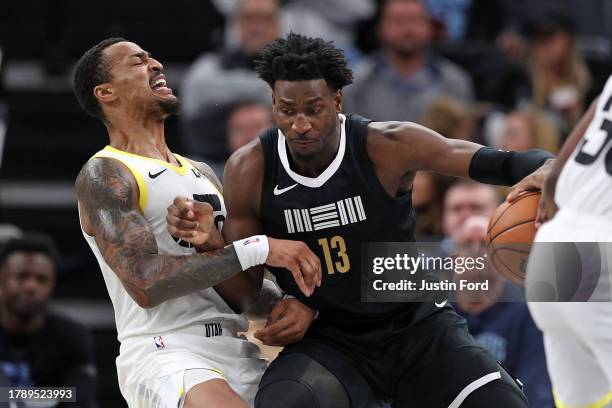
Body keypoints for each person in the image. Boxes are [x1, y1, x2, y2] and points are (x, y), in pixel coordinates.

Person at [168, 33, 556, 407]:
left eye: (313, 109)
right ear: (273, 102)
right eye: (287, 110)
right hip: (330, 337)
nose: (300, 124)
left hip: (414, 324)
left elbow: (490, 160)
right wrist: (211, 246)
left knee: (501, 401)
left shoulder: (386, 146)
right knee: (283, 401)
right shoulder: (250, 168)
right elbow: (245, 294)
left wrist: (551, 167)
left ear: (336, 100)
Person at [72, 38, 321, 408]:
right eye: (139, 61)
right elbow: (146, 282)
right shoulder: (105, 172)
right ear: (106, 92)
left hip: (236, 345)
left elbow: (241, 295)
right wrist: (262, 247)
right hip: (164, 348)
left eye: (153, 56)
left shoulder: (201, 173)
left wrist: (285, 307)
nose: (155, 64)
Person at [525, 77, 612, 407]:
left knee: (585, 402)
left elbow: (594, 110)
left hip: (554, 238)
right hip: (602, 252)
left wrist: (554, 180)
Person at [0, 234, 97, 407]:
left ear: (52, 285)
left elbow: (79, 397)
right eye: (21, 276)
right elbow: (68, 395)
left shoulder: (71, 335)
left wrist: (11, 396)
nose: (31, 286)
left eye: (41, 279)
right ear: (2, 279)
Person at [180, 0, 280, 168]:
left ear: (278, 23)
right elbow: (193, 98)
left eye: (266, 19)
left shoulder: (297, 65)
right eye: (249, 19)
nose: (257, 28)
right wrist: (266, 91)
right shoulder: (213, 63)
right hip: (216, 165)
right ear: (236, 23)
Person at [343, 0, 475, 122]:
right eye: (398, 21)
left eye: (415, 21)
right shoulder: (357, 83)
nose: (407, 30)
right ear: (380, 27)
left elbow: (465, 139)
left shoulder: (454, 82)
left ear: (430, 27)